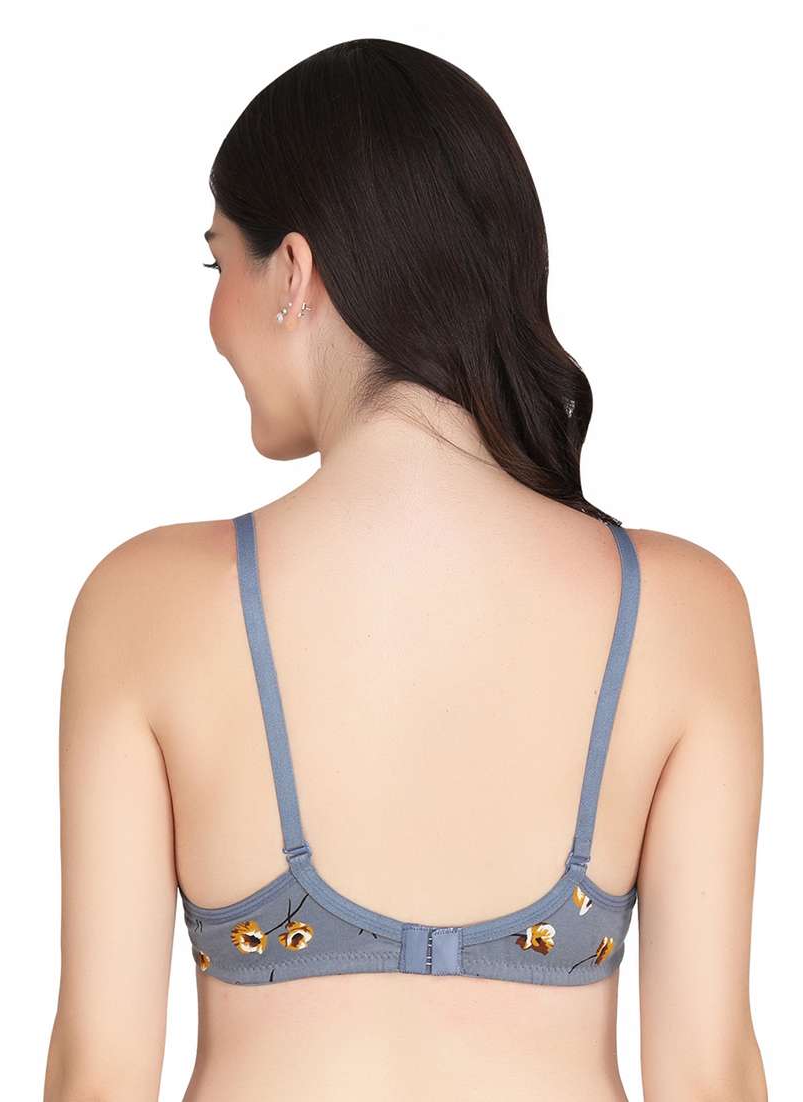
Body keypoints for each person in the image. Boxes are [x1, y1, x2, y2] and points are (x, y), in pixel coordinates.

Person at [43, 37, 767, 1102]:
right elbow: (707, 1078)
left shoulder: (145, 603)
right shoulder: (679, 610)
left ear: (292, 272)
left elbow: (98, 1076)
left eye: (217, 263)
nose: (214, 317)